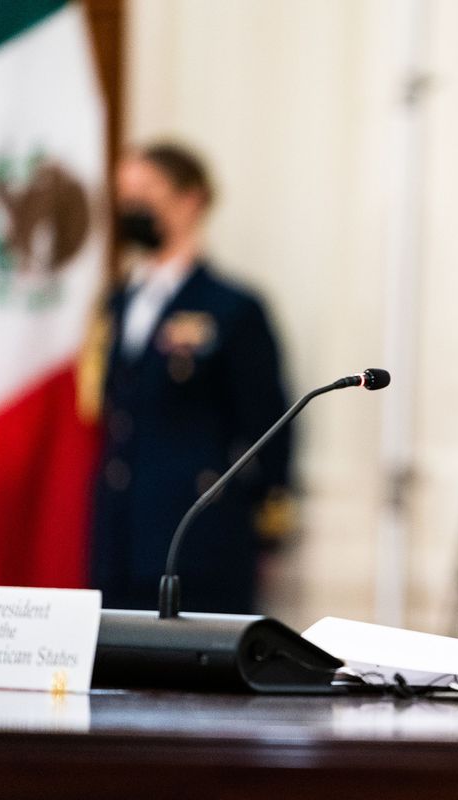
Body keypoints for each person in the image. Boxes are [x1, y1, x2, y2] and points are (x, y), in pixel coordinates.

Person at [89, 142, 294, 614]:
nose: (131, 208)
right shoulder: (119, 303)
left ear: (191, 199)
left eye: (145, 193)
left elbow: (269, 426)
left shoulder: (232, 308)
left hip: (200, 542)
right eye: (124, 196)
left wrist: (270, 519)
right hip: (119, 541)